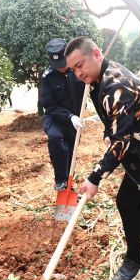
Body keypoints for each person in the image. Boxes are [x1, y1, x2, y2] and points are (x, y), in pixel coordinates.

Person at [65, 36, 140, 280]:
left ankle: (136, 260)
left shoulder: (114, 85)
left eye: (80, 65)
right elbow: (117, 122)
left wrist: (95, 177)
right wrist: (110, 133)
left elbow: (122, 142)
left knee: (127, 199)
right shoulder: (100, 78)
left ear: (96, 53)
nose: (77, 73)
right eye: (73, 69)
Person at [41, 38, 85, 191]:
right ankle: (60, 179)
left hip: (75, 119)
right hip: (55, 118)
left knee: (71, 150)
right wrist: (69, 116)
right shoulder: (48, 77)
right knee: (55, 138)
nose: (60, 68)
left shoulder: (78, 70)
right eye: (56, 65)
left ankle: (68, 185)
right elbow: (49, 105)